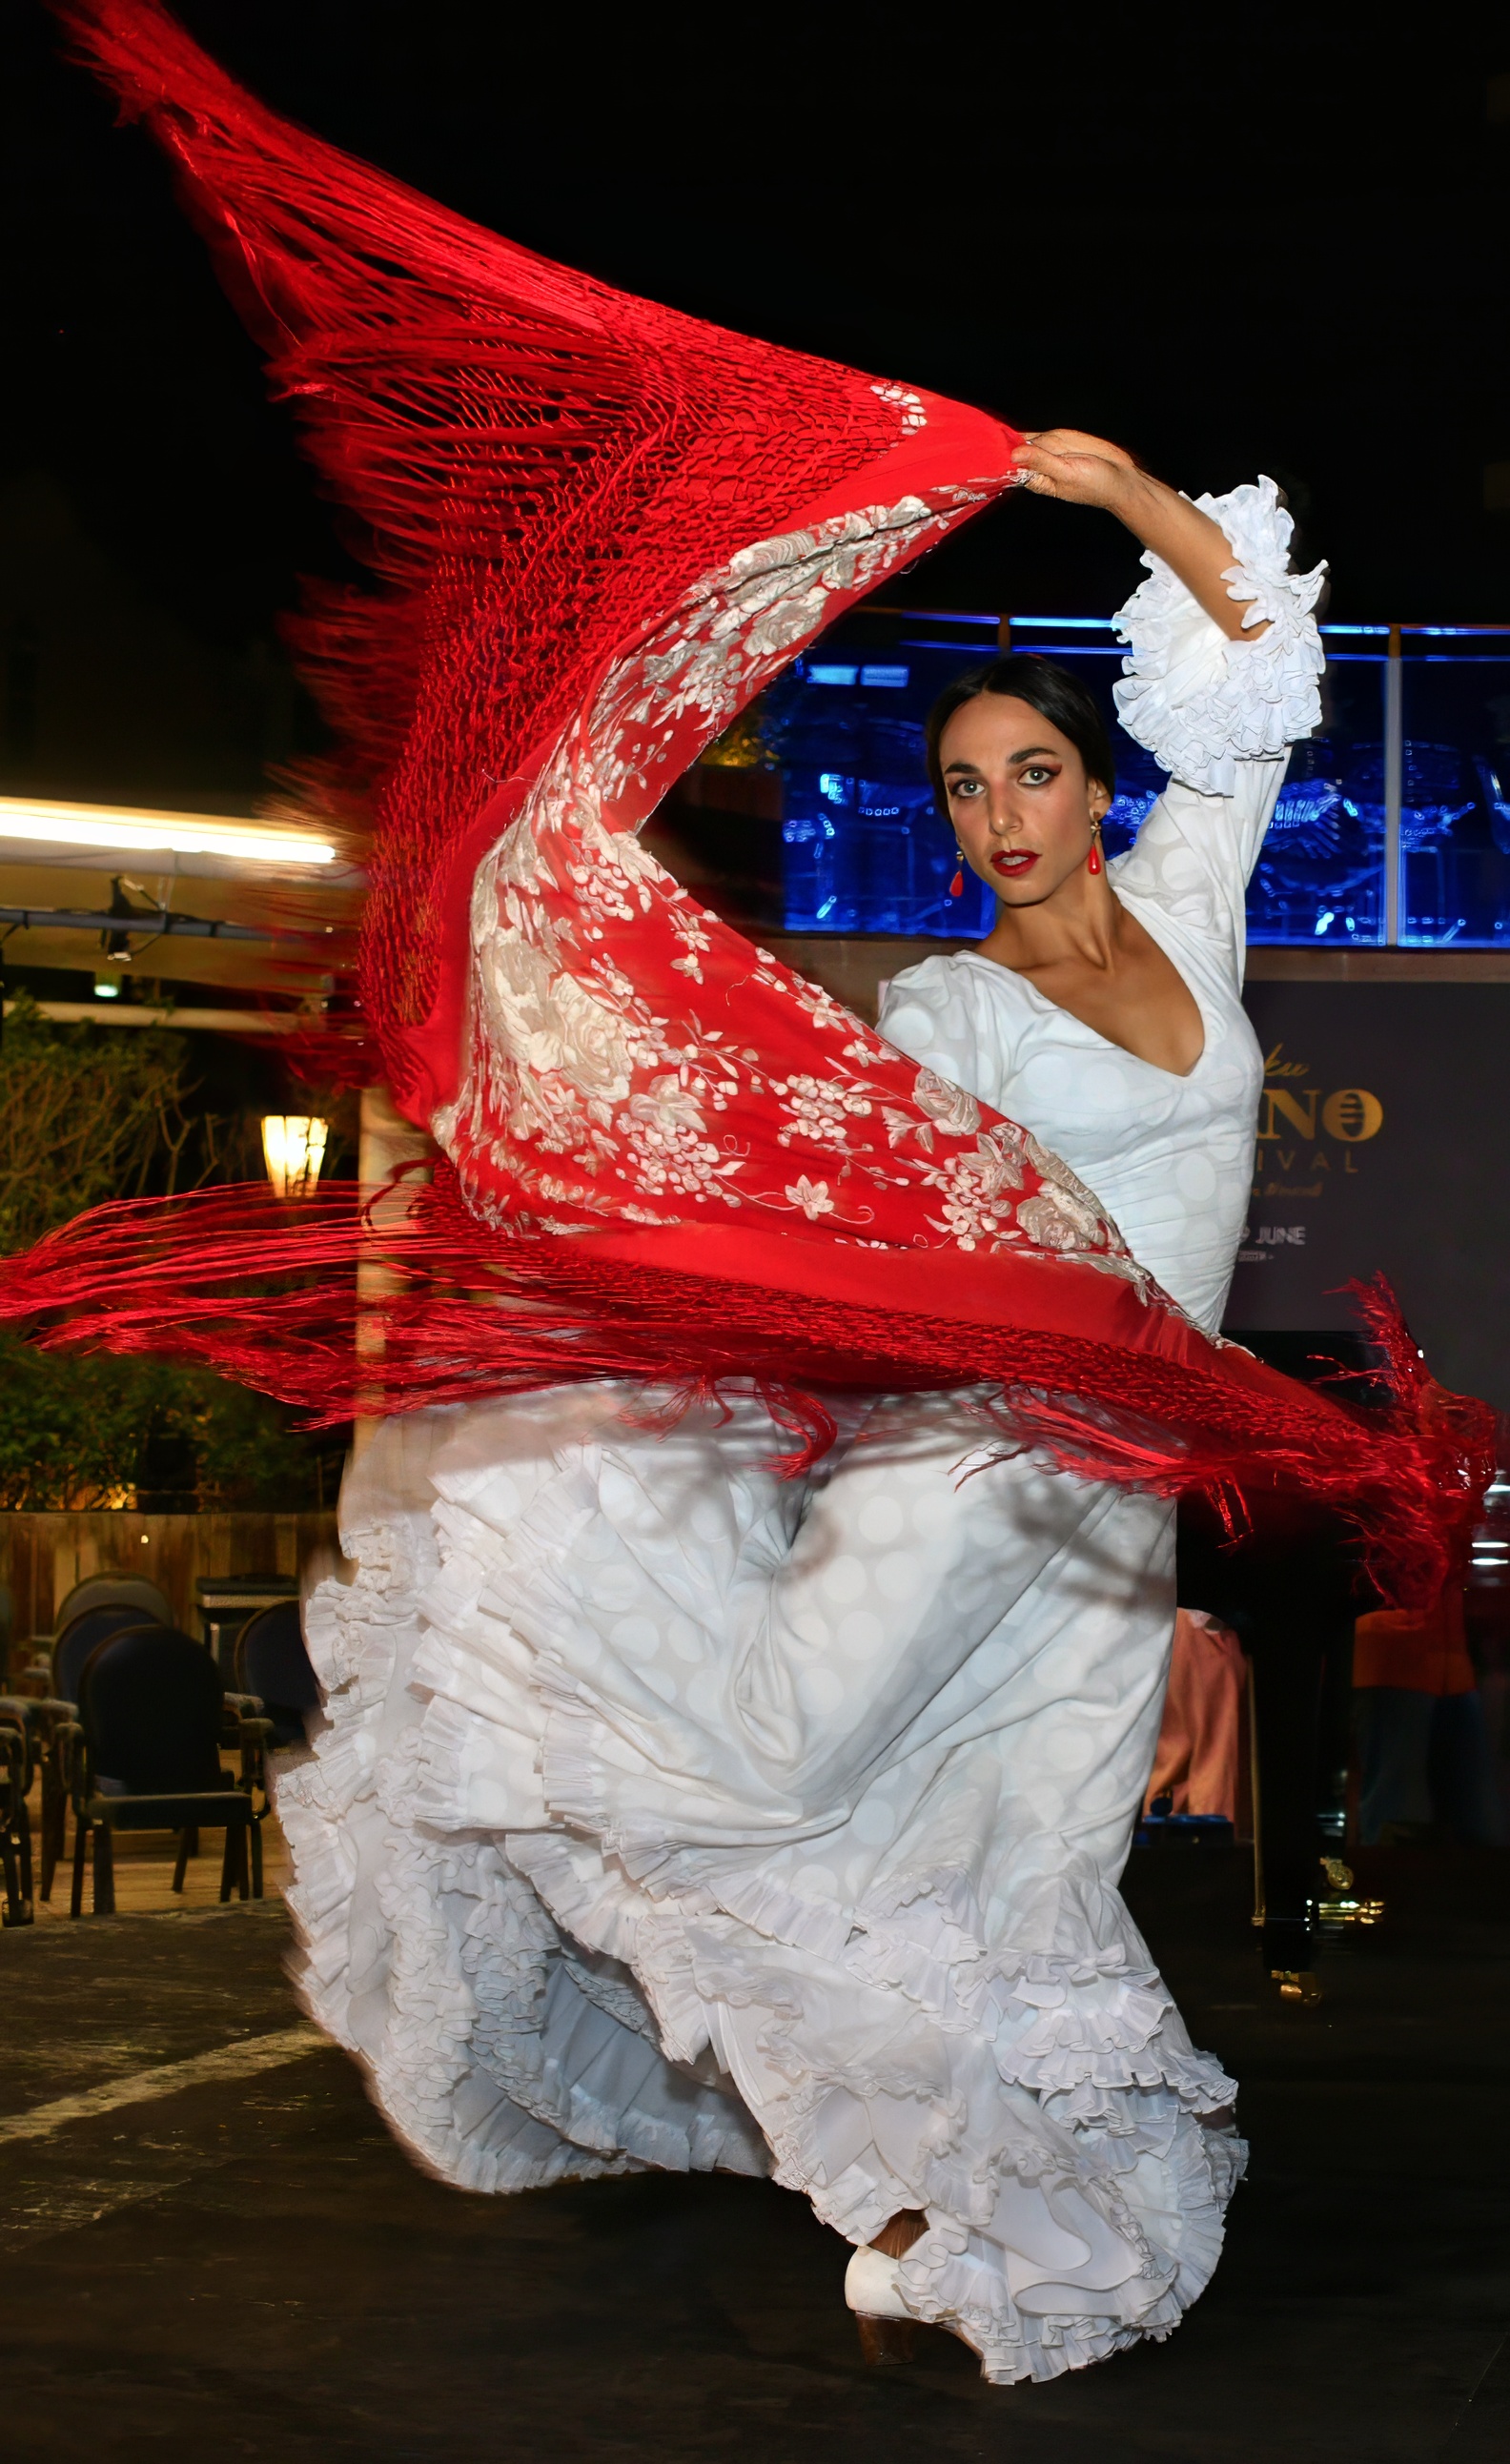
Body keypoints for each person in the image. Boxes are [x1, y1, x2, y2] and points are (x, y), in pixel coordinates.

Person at [278, 430, 1326, 2385]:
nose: (1002, 814)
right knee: (766, 1763)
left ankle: (967, 2197)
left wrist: (1126, 502)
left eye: (1032, 771)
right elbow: (868, 1217)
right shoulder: (944, 1010)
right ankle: (887, 2158)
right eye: (966, 788)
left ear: (1095, 782)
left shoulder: (1198, 903)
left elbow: (1256, 657)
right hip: (983, 1450)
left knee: (1035, 1843)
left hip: (1118, 1493)